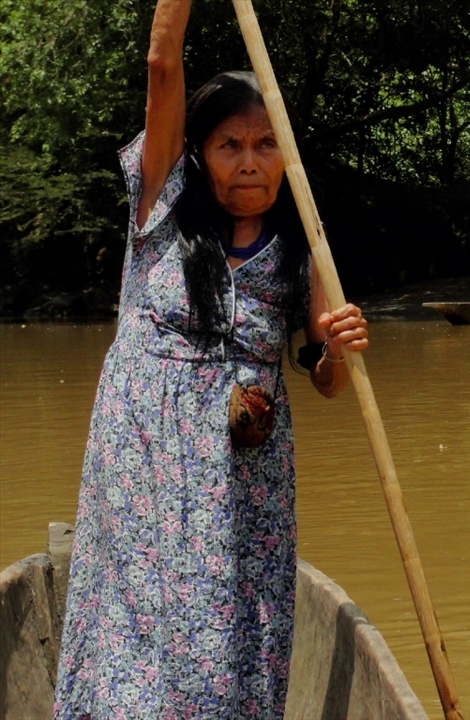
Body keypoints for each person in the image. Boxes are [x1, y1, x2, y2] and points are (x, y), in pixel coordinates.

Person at [53, 1, 367, 716]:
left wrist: (341, 351)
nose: (251, 162)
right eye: (230, 145)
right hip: (144, 453)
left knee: (229, 621)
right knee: (138, 616)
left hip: (243, 469)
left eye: (265, 145)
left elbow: (325, 381)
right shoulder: (160, 206)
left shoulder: (303, 247)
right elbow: (163, 64)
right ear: (198, 153)